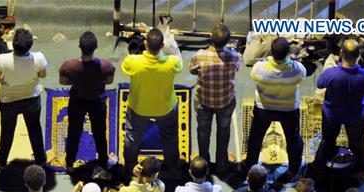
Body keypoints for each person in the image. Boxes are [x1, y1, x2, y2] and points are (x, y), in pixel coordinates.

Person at [121, 28, 183, 175]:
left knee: (133, 136)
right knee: (169, 136)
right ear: (162, 46)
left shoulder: (133, 62)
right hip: (165, 108)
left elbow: (126, 66)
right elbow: (179, 61)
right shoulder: (172, 63)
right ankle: (172, 165)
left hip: (139, 108)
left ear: (145, 43)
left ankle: (130, 166)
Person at [244, 37, 306, 180]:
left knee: (256, 138)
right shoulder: (297, 70)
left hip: (264, 108)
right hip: (289, 109)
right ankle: (294, 168)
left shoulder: (260, 68)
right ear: (288, 53)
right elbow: (302, 75)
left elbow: (253, 76)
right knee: (293, 139)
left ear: (271, 52)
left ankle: (250, 166)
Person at [313, 39, 364, 173]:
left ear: (341, 53)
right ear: (359, 55)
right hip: (355, 115)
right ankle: (361, 167)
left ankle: (319, 166)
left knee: (328, 139)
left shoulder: (331, 73)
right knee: (357, 141)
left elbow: (320, 84)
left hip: (332, 114)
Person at [58, 31, 115, 173]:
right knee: (100, 133)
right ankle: (103, 161)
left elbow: (62, 81)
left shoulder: (69, 66)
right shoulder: (106, 66)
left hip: (77, 101)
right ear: (96, 47)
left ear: (79, 46)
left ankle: (70, 163)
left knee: (74, 132)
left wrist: (78, 80)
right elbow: (109, 81)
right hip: (97, 102)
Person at [0, 28, 48, 168]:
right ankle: (40, 159)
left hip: (8, 102)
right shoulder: (39, 58)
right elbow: (42, 75)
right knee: (35, 129)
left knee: (7, 132)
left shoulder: (2, 60)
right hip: (32, 100)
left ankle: (2, 161)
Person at [188, 23, 242, 173]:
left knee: (203, 132)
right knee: (224, 130)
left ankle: (203, 162)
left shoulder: (199, 56)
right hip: (225, 102)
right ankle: (221, 164)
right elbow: (237, 68)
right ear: (227, 42)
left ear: (211, 39)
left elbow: (192, 70)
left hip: (204, 101)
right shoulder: (234, 56)